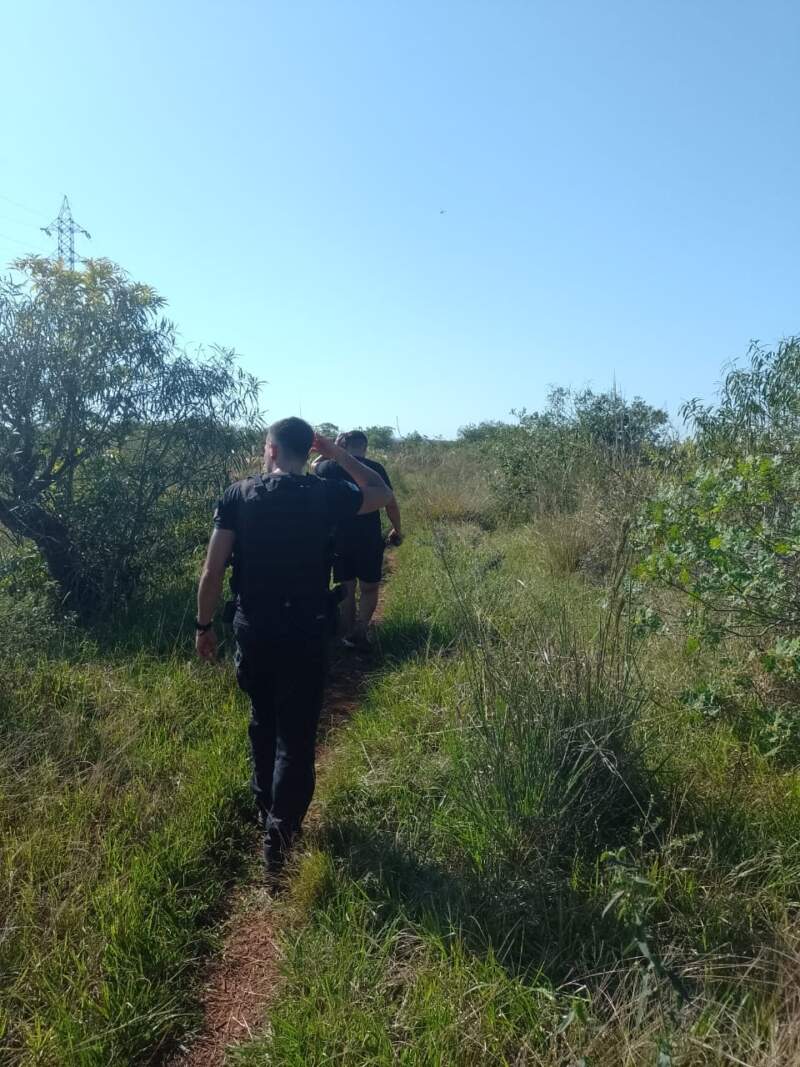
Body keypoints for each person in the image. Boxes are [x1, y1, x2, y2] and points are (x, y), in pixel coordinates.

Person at [195, 418, 392, 874]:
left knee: (263, 718)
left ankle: (266, 808)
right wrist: (340, 455)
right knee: (298, 734)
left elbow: (212, 571)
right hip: (306, 628)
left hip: (254, 628)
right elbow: (380, 493)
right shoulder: (327, 494)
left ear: (269, 449)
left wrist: (204, 626)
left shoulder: (238, 496)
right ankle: (280, 835)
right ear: (310, 451)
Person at [314, 430, 402, 650]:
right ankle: (361, 630)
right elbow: (390, 503)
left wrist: (332, 450)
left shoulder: (327, 468)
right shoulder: (375, 469)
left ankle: (345, 631)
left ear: (343, 445)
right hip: (368, 537)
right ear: (365, 446)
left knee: (346, 586)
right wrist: (397, 528)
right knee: (369, 588)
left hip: (339, 537)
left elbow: (314, 464)